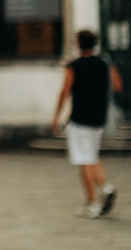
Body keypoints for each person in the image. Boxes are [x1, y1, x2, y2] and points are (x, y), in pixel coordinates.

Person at [51, 29, 123, 218]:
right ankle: (105, 188)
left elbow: (65, 92)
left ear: (78, 44)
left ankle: (92, 204)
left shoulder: (74, 66)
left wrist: (56, 117)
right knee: (92, 155)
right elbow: (117, 86)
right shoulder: (105, 63)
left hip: (79, 120)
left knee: (84, 161)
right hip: (98, 119)